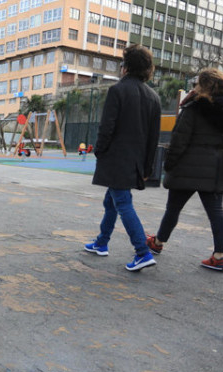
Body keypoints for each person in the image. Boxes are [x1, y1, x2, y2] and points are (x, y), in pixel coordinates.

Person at [146, 68, 223, 272]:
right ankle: (219, 256)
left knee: (173, 209)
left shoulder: (194, 108)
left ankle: (158, 243)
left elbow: (180, 139)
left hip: (187, 165)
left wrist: (170, 163)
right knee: (216, 212)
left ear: (202, 86)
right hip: (217, 167)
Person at [84, 45, 162, 272]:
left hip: (116, 158)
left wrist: (99, 150)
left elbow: (106, 127)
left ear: (126, 67)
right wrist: (147, 166)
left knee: (123, 203)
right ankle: (101, 242)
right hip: (136, 160)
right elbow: (152, 138)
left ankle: (142, 251)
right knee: (112, 201)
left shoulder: (118, 90)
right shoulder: (153, 97)